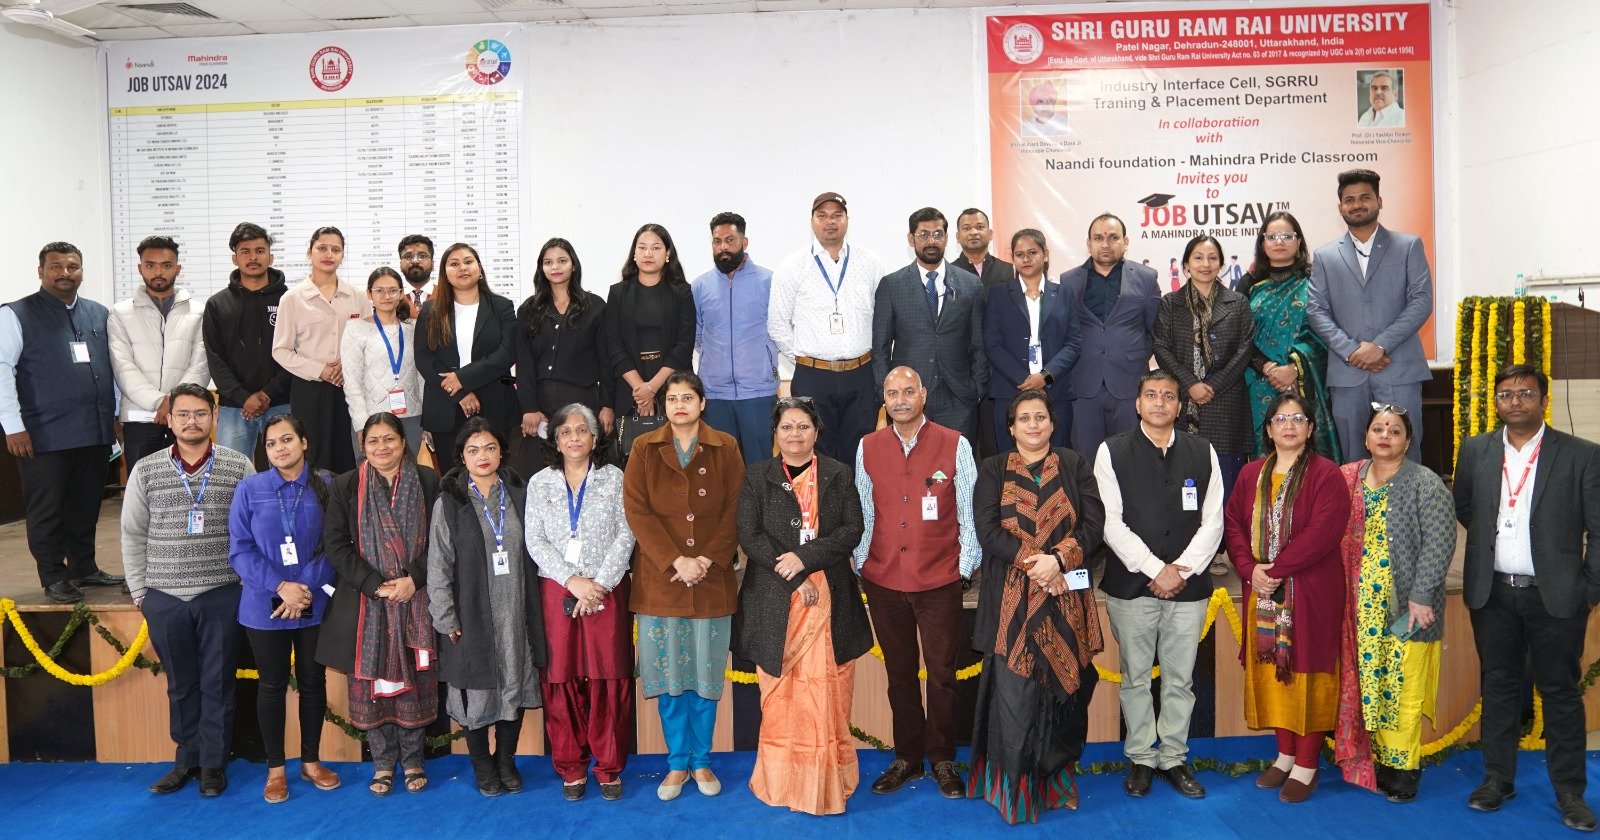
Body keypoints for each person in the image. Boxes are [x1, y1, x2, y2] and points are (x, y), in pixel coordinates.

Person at [1454, 365, 1600, 831]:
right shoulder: (1475, 450)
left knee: (1560, 692)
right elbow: (1466, 507)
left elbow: (1598, 528)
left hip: (1556, 596)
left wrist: (1589, 590)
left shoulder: (1581, 454)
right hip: (1493, 591)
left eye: (1525, 393)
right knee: (1498, 686)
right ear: (1496, 401)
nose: (1515, 401)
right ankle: (1498, 779)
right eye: (1506, 394)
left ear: (1543, 399)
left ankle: (1570, 793)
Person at [968, 389, 1103, 823]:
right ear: (1011, 427)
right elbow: (988, 530)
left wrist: (1058, 561)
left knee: (1066, 694)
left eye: (1040, 417)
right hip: (1011, 606)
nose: (1033, 424)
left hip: (1066, 599)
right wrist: (1039, 565)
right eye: (1024, 418)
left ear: (1051, 423)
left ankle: (1059, 784)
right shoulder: (993, 468)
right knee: (1015, 699)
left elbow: (1094, 525)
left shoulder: (1074, 464)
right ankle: (1016, 790)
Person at [735, 396, 870, 815]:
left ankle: (830, 779)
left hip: (831, 595)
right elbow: (749, 534)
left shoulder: (838, 473)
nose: (795, 434)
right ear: (775, 434)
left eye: (803, 426)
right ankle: (781, 780)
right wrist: (793, 574)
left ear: (817, 432)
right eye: (787, 427)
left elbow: (852, 529)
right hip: (773, 599)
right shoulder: (756, 476)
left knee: (830, 693)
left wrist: (805, 559)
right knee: (779, 699)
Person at [1094, 370, 1224, 800]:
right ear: (1137, 404)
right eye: (1151, 395)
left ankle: (1173, 757)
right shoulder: (1111, 451)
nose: (1160, 402)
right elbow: (1110, 523)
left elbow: (1213, 521)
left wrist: (1180, 571)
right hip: (1132, 586)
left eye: (1169, 396)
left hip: (1189, 587)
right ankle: (1140, 758)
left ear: (1180, 406)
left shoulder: (1202, 451)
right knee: (1135, 678)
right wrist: (1155, 569)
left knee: (1179, 680)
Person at [853, 365, 978, 799]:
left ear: (923, 395)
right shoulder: (868, 446)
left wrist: (963, 570)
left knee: (942, 674)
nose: (900, 400)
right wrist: (862, 562)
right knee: (900, 673)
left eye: (908, 391)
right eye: (892, 393)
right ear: (883, 400)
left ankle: (942, 758)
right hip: (884, 580)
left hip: (940, 580)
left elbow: (969, 513)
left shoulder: (955, 443)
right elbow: (864, 512)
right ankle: (907, 757)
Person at [123, 383, 253, 797]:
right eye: (183, 414)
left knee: (218, 682)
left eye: (200, 413)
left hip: (221, 592)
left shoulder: (238, 465)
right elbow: (132, 533)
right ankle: (186, 761)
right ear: (170, 419)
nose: (191, 421)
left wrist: (245, 585)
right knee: (180, 684)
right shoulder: (146, 469)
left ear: (213, 418)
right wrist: (140, 592)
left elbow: (254, 529)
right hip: (165, 597)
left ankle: (213, 764)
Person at [1223, 391, 1352, 804]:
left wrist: (1274, 571)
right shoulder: (1251, 474)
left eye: (1298, 419)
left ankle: (1307, 763)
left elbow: (1323, 533)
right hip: (1262, 592)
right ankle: (1284, 756)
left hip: (1311, 590)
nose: (1289, 426)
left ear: (1311, 428)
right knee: (1272, 670)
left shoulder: (1326, 474)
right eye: (1280, 419)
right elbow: (1233, 524)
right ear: (1268, 429)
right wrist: (1250, 570)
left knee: (1307, 673)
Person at [622, 371, 745, 800]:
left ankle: (702, 761)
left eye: (688, 398)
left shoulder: (726, 446)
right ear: (664, 405)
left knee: (706, 676)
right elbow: (636, 510)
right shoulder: (643, 447)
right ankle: (677, 764)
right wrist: (676, 560)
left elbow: (737, 508)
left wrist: (705, 560)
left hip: (711, 579)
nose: (679, 405)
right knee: (670, 677)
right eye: (672, 399)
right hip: (663, 580)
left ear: (702, 403)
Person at [1332, 404, 1454, 804]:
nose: (1385, 435)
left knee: (1403, 684)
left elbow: (1440, 542)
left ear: (1407, 441)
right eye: (1378, 429)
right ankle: (1377, 758)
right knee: (1369, 682)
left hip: (1408, 606)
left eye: (1395, 430)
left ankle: (1403, 767)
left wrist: (1421, 596)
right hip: (1354, 606)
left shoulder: (1425, 483)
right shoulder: (1346, 478)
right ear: (1366, 437)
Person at [316, 412, 441, 797]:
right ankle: (383, 763)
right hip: (366, 604)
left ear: (404, 442)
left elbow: (442, 540)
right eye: (373, 441)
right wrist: (375, 585)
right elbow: (336, 545)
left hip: (415, 599)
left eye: (389, 439)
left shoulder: (427, 481)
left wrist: (413, 579)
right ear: (363, 445)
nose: (382, 447)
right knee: (374, 685)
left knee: (414, 682)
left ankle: (414, 760)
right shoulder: (346, 485)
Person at [428, 417, 547, 797]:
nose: (483, 456)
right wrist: (445, 617)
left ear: (501, 452)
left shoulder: (520, 494)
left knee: (515, 687)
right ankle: (482, 766)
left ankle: (506, 762)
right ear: (461, 456)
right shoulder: (449, 503)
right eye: (473, 449)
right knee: (475, 694)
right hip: (471, 615)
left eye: (490, 447)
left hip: (517, 613)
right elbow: (438, 565)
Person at [1, 241, 124, 603]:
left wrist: (115, 415)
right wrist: (12, 426)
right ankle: (53, 574)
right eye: (55, 267)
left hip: (94, 429)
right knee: (47, 509)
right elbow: (2, 370)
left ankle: (83, 567)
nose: (65, 273)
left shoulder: (98, 313)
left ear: (81, 271)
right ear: (41, 271)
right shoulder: (16, 314)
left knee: (86, 504)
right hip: (42, 433)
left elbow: (113, 369)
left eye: (72, 266)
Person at [226, 413, 340, 803]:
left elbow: (336, 542)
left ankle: (311, 761)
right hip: (264, 604)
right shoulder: (250, 488)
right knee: (271, 685)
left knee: (312, 682)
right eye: (272, 443)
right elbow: (240, 550)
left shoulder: (327, 485)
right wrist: (280, 587)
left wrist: (303, 588)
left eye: (287, 439)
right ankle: (276, 770)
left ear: (304, 442)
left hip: (313, 600)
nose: (280, 448)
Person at [525, 403, 635, 802]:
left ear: (594, 437)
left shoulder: (614, 477)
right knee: (561, 676)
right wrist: (573, 581)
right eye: (566, 432)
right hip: (558, 588)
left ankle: (608, 766)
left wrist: (598, 584)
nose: (574, 438)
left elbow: (628, 532)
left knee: (608, 675)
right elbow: (535, 539)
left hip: (607, 588)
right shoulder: (540, 482)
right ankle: (571, 766)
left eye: (582, 430)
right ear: (556, 440)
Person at [1307, 169, 1432, 462]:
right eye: (1349, 200)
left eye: (1365, 197)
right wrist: (1353, 352)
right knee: (1354, 461)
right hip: (1347, 375)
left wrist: (1380, 346)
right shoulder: (1325, 256)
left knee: (1405, 457)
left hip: (1399, 370)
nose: (1357, 204)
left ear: (1379, 201)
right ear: (1340, 207)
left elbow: (1421, 301)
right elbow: (1316, 310)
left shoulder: (1408, 246)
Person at [768, 192, 888, 465]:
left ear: (847, 220)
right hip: (813, 377)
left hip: (861, 374)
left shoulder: (871, 263)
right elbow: (777, 324)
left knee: (860, 451)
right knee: (815, 453)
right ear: (812, 221)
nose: (830, 221)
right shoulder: (791, 266)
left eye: (837, 215)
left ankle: (855, 496)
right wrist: (806, 360)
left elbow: (883, 319)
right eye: (822, 215)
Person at [1153, 234, 1256, 498]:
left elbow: (1245, 349)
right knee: (1185, 489)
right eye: (1198, 258)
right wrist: (1190, 384)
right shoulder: (1170, 303)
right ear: (1186, 265)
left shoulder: (1238, 302)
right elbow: (1162, 348)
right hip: (1183, 405)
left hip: (1226, 406)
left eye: (1212, 258)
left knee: (1226, 490)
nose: (1205, 264)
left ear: (1221, 264)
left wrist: (1213, 386)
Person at [872, 206, 987, 438]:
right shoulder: (892, 285)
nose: (931, 241)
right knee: (910, 460)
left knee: (957, 460)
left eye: (937, 234)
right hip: (907, 399)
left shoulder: (971, 284)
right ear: (911, 239)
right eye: (923, 234)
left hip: (959, 398)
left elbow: (979, 344)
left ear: (946, 238)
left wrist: (977, 388)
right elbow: (880, 348)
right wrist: (886, 394)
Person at [271, 226, 372, 475]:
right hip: (310, 390)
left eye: (336, 249)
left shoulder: (358, 296)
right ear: (310, 252)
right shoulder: (293, 298)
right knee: (314, 456)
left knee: (349, 455)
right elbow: (281, 350)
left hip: (350, 387)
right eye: (322, 248)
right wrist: (321, 370)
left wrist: (345, 365)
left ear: (342, 256)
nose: (329, 254)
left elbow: (370, 341)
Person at [1058, 214, 1160, 457]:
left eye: (1113, 237)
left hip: (1129, 385)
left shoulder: (1147, 278)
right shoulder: (1068, 280)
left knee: (1131, 459)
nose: (1105, 244)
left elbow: (1155, 331)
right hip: (1083, 385)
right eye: (1098, 238)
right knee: (1087, 460)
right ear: (1088, 243)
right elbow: (1065, 332)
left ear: (1126, 242)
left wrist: (1132, 354)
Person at [1242, 212, 1341, 461]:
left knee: (1307, 456)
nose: (1279, 241)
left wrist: (1295, 368)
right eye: (1272, 236)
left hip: (1305, 383)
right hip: (1258, 382)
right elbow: (1240, 335)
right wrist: (1269, 368)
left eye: (1287, 236)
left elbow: (1325, 331)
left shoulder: (1315, 280)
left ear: (1298, 242)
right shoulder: (1249, 283)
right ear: (1262, 243)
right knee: (1265, 455)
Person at [415, 242, 518, 476]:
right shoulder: (430, 311)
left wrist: (462, 378)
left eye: (468, 261)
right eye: (454, 264)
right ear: (445, 274)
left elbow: (507, 353)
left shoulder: (501, 306)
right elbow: (424, 359)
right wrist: (459, 392)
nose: (462, 267)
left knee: (496, 478)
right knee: (453, 480)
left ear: (479, 268)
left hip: (494, 404)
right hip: (445, 407)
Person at [515, 238, 614, 475]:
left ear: (574, 265)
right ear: (541, 268)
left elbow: (606, 361)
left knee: (585, 471)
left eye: (562, 261)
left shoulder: (595, 306)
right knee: (540, 474)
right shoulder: (529, 309)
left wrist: (607, 405)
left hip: (584, 403)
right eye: (548, 262)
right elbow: (524, 362)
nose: (555, 267)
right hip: (540, 407)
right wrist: (529, 407)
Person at [109, 235, 209, 467]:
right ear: (140, 268)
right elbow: (123, 367)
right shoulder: (120, 313)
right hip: (139, 416)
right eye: (150, 265)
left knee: (188, 481)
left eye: (166, 265)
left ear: (178, 268)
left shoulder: (200, 312)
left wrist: (175, 403)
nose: (158, 272)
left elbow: (201, 364)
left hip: (186, 417)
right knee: (142, 483)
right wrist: (159, 403)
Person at [692, 212, 778, 466]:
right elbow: (698, 335)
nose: (723, 247)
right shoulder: (700, 286)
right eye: (717, 241)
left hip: (758, 392)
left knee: (760, 468)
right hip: (715, 394)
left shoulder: (769, 281)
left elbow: (779, 329)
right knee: (720, 469)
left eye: (730, 240)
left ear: (744, 242)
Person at [985, 228, 1081, 452]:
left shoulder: (1064, 294)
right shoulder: (998, 295)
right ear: (1013, 258)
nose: (1026, 259)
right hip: (1010, 390)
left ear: (1045, 254)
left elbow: (1074, 343)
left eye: (1032, 252)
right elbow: (992, 344)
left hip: (1055, 391)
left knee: (1055, 460)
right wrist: (1025, 380)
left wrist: (1045, 377)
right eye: (1019, 255)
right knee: (1011, 462)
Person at [205, 222, 292, 461]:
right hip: (234, 407)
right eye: (245, 251)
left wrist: (267, 393)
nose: (253, 257)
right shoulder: (217, 304)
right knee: (234, 474)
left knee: (286, 472)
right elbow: (215, 358)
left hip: (282, 403)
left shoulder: (290, 299)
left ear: (270, 257)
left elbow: (297, 352)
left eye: (259, 251)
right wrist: (244, 397)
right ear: (235, 258)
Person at [604, 224, 696, 420]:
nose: (648, 253)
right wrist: (641, 390)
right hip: (630, 388)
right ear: (634, 253)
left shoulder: (682, 292)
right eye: (642, 247)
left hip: (673, 386)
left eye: (656, 248)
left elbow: (684, 345)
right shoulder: (618, 293)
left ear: (667, 253)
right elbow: (614, 346)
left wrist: (652, 388)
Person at [341, 267, 422, 455]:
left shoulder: (413, 328)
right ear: (369, 294)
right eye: (379, 290)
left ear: (401, 293)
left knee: (409, 471)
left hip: (412, 416)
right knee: (373, 472)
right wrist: (361, 424)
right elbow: (352, 382)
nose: (387, 296)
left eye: (393, 290)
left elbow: (422, 376)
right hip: (372, 419)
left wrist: (428, 420)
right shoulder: (355, 329)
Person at [951, 208, 1016, 289]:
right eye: (967, 228)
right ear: (958, 237)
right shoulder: (948, 273)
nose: (974, 232)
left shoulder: (1010, 270)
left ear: (990, 234)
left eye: (979, 227)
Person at [398, 234, 436, 313]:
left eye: (422, 256)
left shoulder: (447, 295)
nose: (415, 261)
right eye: (408, 256)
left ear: (432, 264)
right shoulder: (392, 297)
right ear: (400, 265)